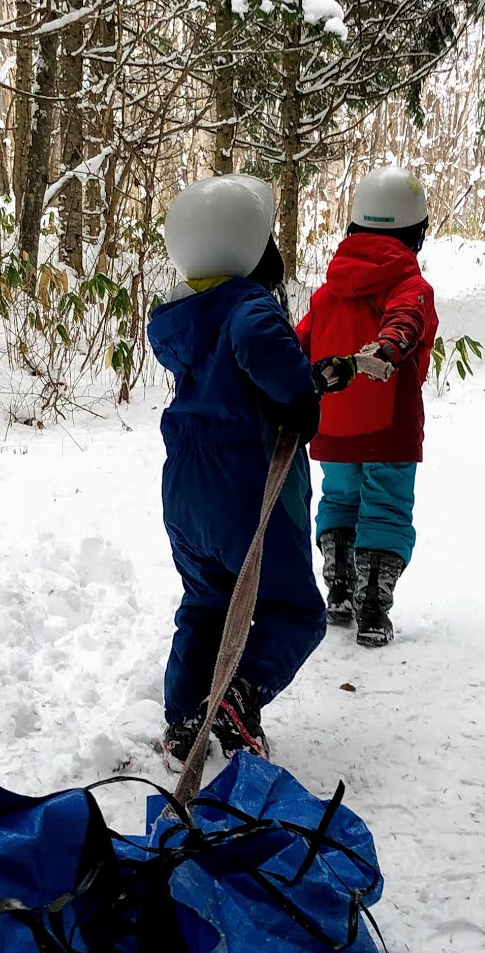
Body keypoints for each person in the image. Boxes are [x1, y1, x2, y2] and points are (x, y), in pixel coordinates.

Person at [150, 175, 366, 765]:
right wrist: (299, 397)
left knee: (206, 603)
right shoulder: (249, 305)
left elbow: (230, 370)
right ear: (250, 246)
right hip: (245, 486)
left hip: (185, 490)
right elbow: (259, 346)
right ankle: (237, 698)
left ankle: (184, 720)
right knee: (295, 611)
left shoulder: (182, 316)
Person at [297, 165, 440, 647]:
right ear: (416, 232)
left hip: (334, 423)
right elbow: (407, 318)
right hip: (388, 422)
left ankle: (339, 588)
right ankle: (373, 607)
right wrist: (388, 347)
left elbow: (300, 340)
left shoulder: (328, 292)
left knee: (339, 497)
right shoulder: (410, 285)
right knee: (386, 503)